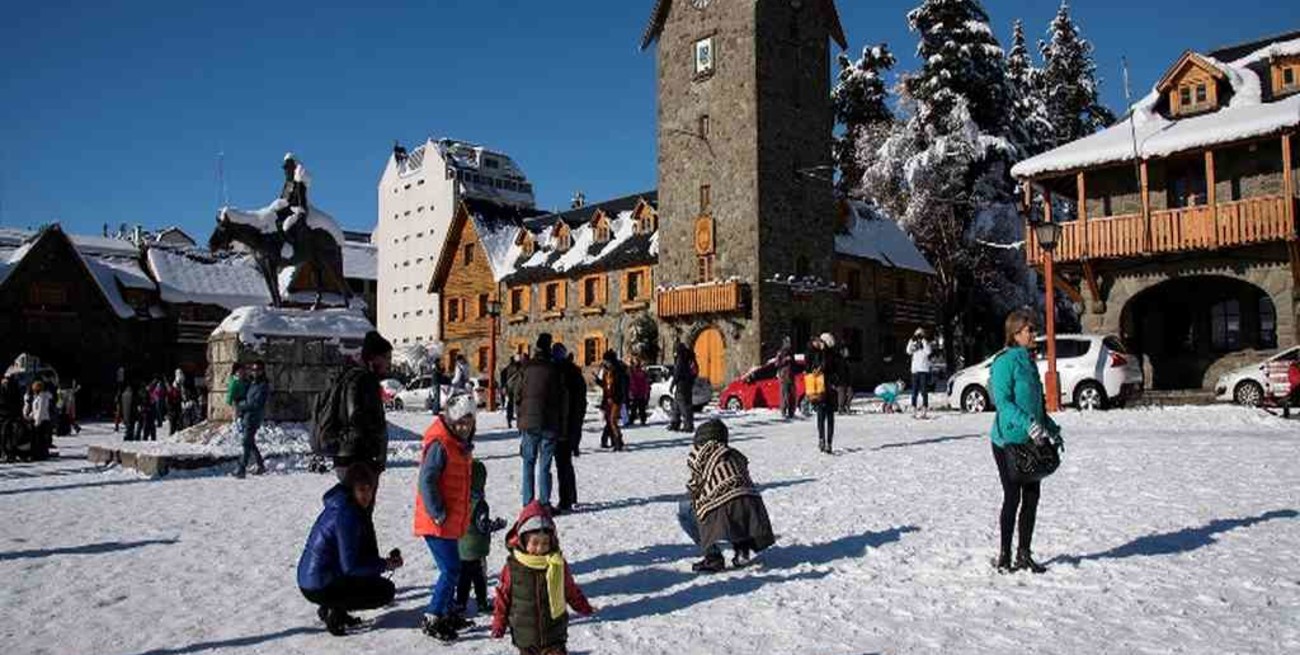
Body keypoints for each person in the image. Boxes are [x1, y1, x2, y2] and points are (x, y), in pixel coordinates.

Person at [989, 309, 1063, 574]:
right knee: (1013, 496)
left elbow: (1037, 404)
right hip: (1007, 440)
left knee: (1032, 496)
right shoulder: (1004, 363)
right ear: (1015, 333)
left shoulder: (1029, 361)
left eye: (1033, 328)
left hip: (1033, 439)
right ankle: (1004, 555)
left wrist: (1050, 428)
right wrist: (1027, 423)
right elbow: (1003, 402)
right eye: (1029, 329)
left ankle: (1024, 554)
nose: (1034, 333)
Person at [297, 463, 402, 636]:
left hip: (313, 578)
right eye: (361, 489)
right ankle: (334, 612)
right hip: (317, 584)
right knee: (385, 591)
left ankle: (332, 607)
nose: (367, 495)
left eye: (369, 489)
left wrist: (381, 563)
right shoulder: (347, 515)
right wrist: (385, 565)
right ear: (350, 489)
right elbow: (351, 567)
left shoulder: (344, 505)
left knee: (368, 578)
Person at [490, 501, 596, 653]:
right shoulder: (513, 568)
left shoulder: (557, 564)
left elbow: (570, 590)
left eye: (545, 543)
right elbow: (503, 597)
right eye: (535, 543)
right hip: (526, 638)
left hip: (554, 634)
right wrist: (499, 623)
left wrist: (584, 607)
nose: (540, 548)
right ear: (523, 540)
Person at [414, 393, 478, 642]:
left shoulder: (459, 446)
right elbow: (426, 481)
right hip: (436, 521)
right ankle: (433, 615)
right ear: (451, 420)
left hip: (449, 521)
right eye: (460, 421)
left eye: (469, 422)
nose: (464, 426)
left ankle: (448, 611)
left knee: (454, 568)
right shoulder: (441, 445)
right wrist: (438, 512)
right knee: (450, 569)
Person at [679, 419, 775, 573]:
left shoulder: (699, 453)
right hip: (753, 507)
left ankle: (713, 557)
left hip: (725, 508)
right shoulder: (735, 454)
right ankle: (742, 548)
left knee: (685, 509)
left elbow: (694, 487)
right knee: (736, 501)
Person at [333, 331, 393, 482]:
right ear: (374, 357)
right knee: (355, 504)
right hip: (358, 459)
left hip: (352, 457)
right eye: (386, 357)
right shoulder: (364, 380)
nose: (389, 363)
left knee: (352, 504)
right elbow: (356, 419)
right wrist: (372, 451)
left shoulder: (357, 377)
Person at [454, 460, 508, 617]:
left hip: (462, 547)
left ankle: (460, 602)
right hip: (476, 550)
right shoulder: (480, 503)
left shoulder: (460, 498)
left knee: (463, 578)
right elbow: (482, 525)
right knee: (479, 578)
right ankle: (482, 602)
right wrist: (497, 525)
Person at [517, 334, 565, 508]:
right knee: (545, 465)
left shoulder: (526, 367)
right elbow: (561, 397)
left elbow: (516, 393)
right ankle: (544, 503)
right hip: (548, 421)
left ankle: (528, 503)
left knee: (528, 463)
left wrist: (520, 416)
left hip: (529, 422)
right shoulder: (553, 369)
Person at [552, 344, 582, 513]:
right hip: (573, 423)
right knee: (566, 463)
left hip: (561, 425)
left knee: (562, 463)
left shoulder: (559, 374)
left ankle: (565, 500)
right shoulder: (576, 373)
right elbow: (581, 402)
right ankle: (572, 496)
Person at [808, 333, 843, 454]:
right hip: (825, 389)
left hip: (826, 389)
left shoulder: (829, 355)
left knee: (825, 417)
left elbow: (827, 367)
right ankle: (824, 440)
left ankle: (826, 441)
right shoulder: (822, 354)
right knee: (825, 417)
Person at [235, 361, 269, 478]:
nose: (254, 372)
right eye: (253, 370)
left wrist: (241, 405)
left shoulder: (263, 385)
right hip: (247, 416)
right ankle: (260, 464)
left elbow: (255, 403)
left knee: (246, 442)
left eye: (257, 370)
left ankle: (241, 468)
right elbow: (245, 396)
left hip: (254, 417)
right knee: (250, 442)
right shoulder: (252, 383)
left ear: (262, 371)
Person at [599, 350, 627, 451]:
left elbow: (620, 388)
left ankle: (618, 442)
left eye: (606, 361)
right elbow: (606, 386)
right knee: (610, 421)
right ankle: (614, 440)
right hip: (608, 399)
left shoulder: (618, 372)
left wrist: (615, 398)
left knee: (612, 421)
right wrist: (599, 382)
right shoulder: (607, 372)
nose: (605, 363)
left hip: (616, 400)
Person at [669, 342, 698, 433]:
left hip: (681, 385)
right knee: (677, 404)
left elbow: (677, 373)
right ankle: (675, 423)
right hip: (688, 385)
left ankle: (688, 425)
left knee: (684, 405)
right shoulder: (691, 358)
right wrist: (691, 380)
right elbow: (696, 370)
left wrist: (672, 384)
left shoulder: (681, 358)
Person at [24, 381, 54, 459]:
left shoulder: (42, 397)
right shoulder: (37, 397)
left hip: (43, 420)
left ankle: (42, 454)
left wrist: (37, 421)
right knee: (40, 439)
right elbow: (35, 410)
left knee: (42, 438)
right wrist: (30, 416)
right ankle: (40, 453)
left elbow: (40, 410)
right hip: (39, 419)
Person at [907, 328, 933, 417]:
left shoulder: (925, 343)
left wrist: (923, 341)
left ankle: (924, 410)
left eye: (920, 335)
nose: (918, 337)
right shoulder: (913, 342)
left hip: (923, 370)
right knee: (914, 392)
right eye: (917, 335)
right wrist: (912, 341)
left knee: (924, 391)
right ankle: (914, 409)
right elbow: (908, 351)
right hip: (915, 370)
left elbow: (928, 351)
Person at [775, 336, 796, 419]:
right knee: (784, 394)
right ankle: (784, 411)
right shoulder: (780, 352)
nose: (789, 344)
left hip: (791, 376)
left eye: (789, 342)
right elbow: (776, 364)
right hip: (783, 376)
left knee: (792, 394)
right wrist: (784, 360)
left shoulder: (791, 352)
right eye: (787, 342)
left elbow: (794, 364)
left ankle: (791, 411)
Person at [502, 355, 523, 429]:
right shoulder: (520, 368)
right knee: (518, 404)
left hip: (509, 388)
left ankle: (509, 419)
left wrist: (504, 387)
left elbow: (503, 378)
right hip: (517, 388)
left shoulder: (507, 369)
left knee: (510, 404)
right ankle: (519, 419)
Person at [628, 358, 651, 426]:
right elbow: (646, 383)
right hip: (639, 392)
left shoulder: (634, 373)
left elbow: (645, 383)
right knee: (639, 407)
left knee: (636, 407)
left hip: (637, 392)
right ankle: (641, 420)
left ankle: (634, 419)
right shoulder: (640, 373)